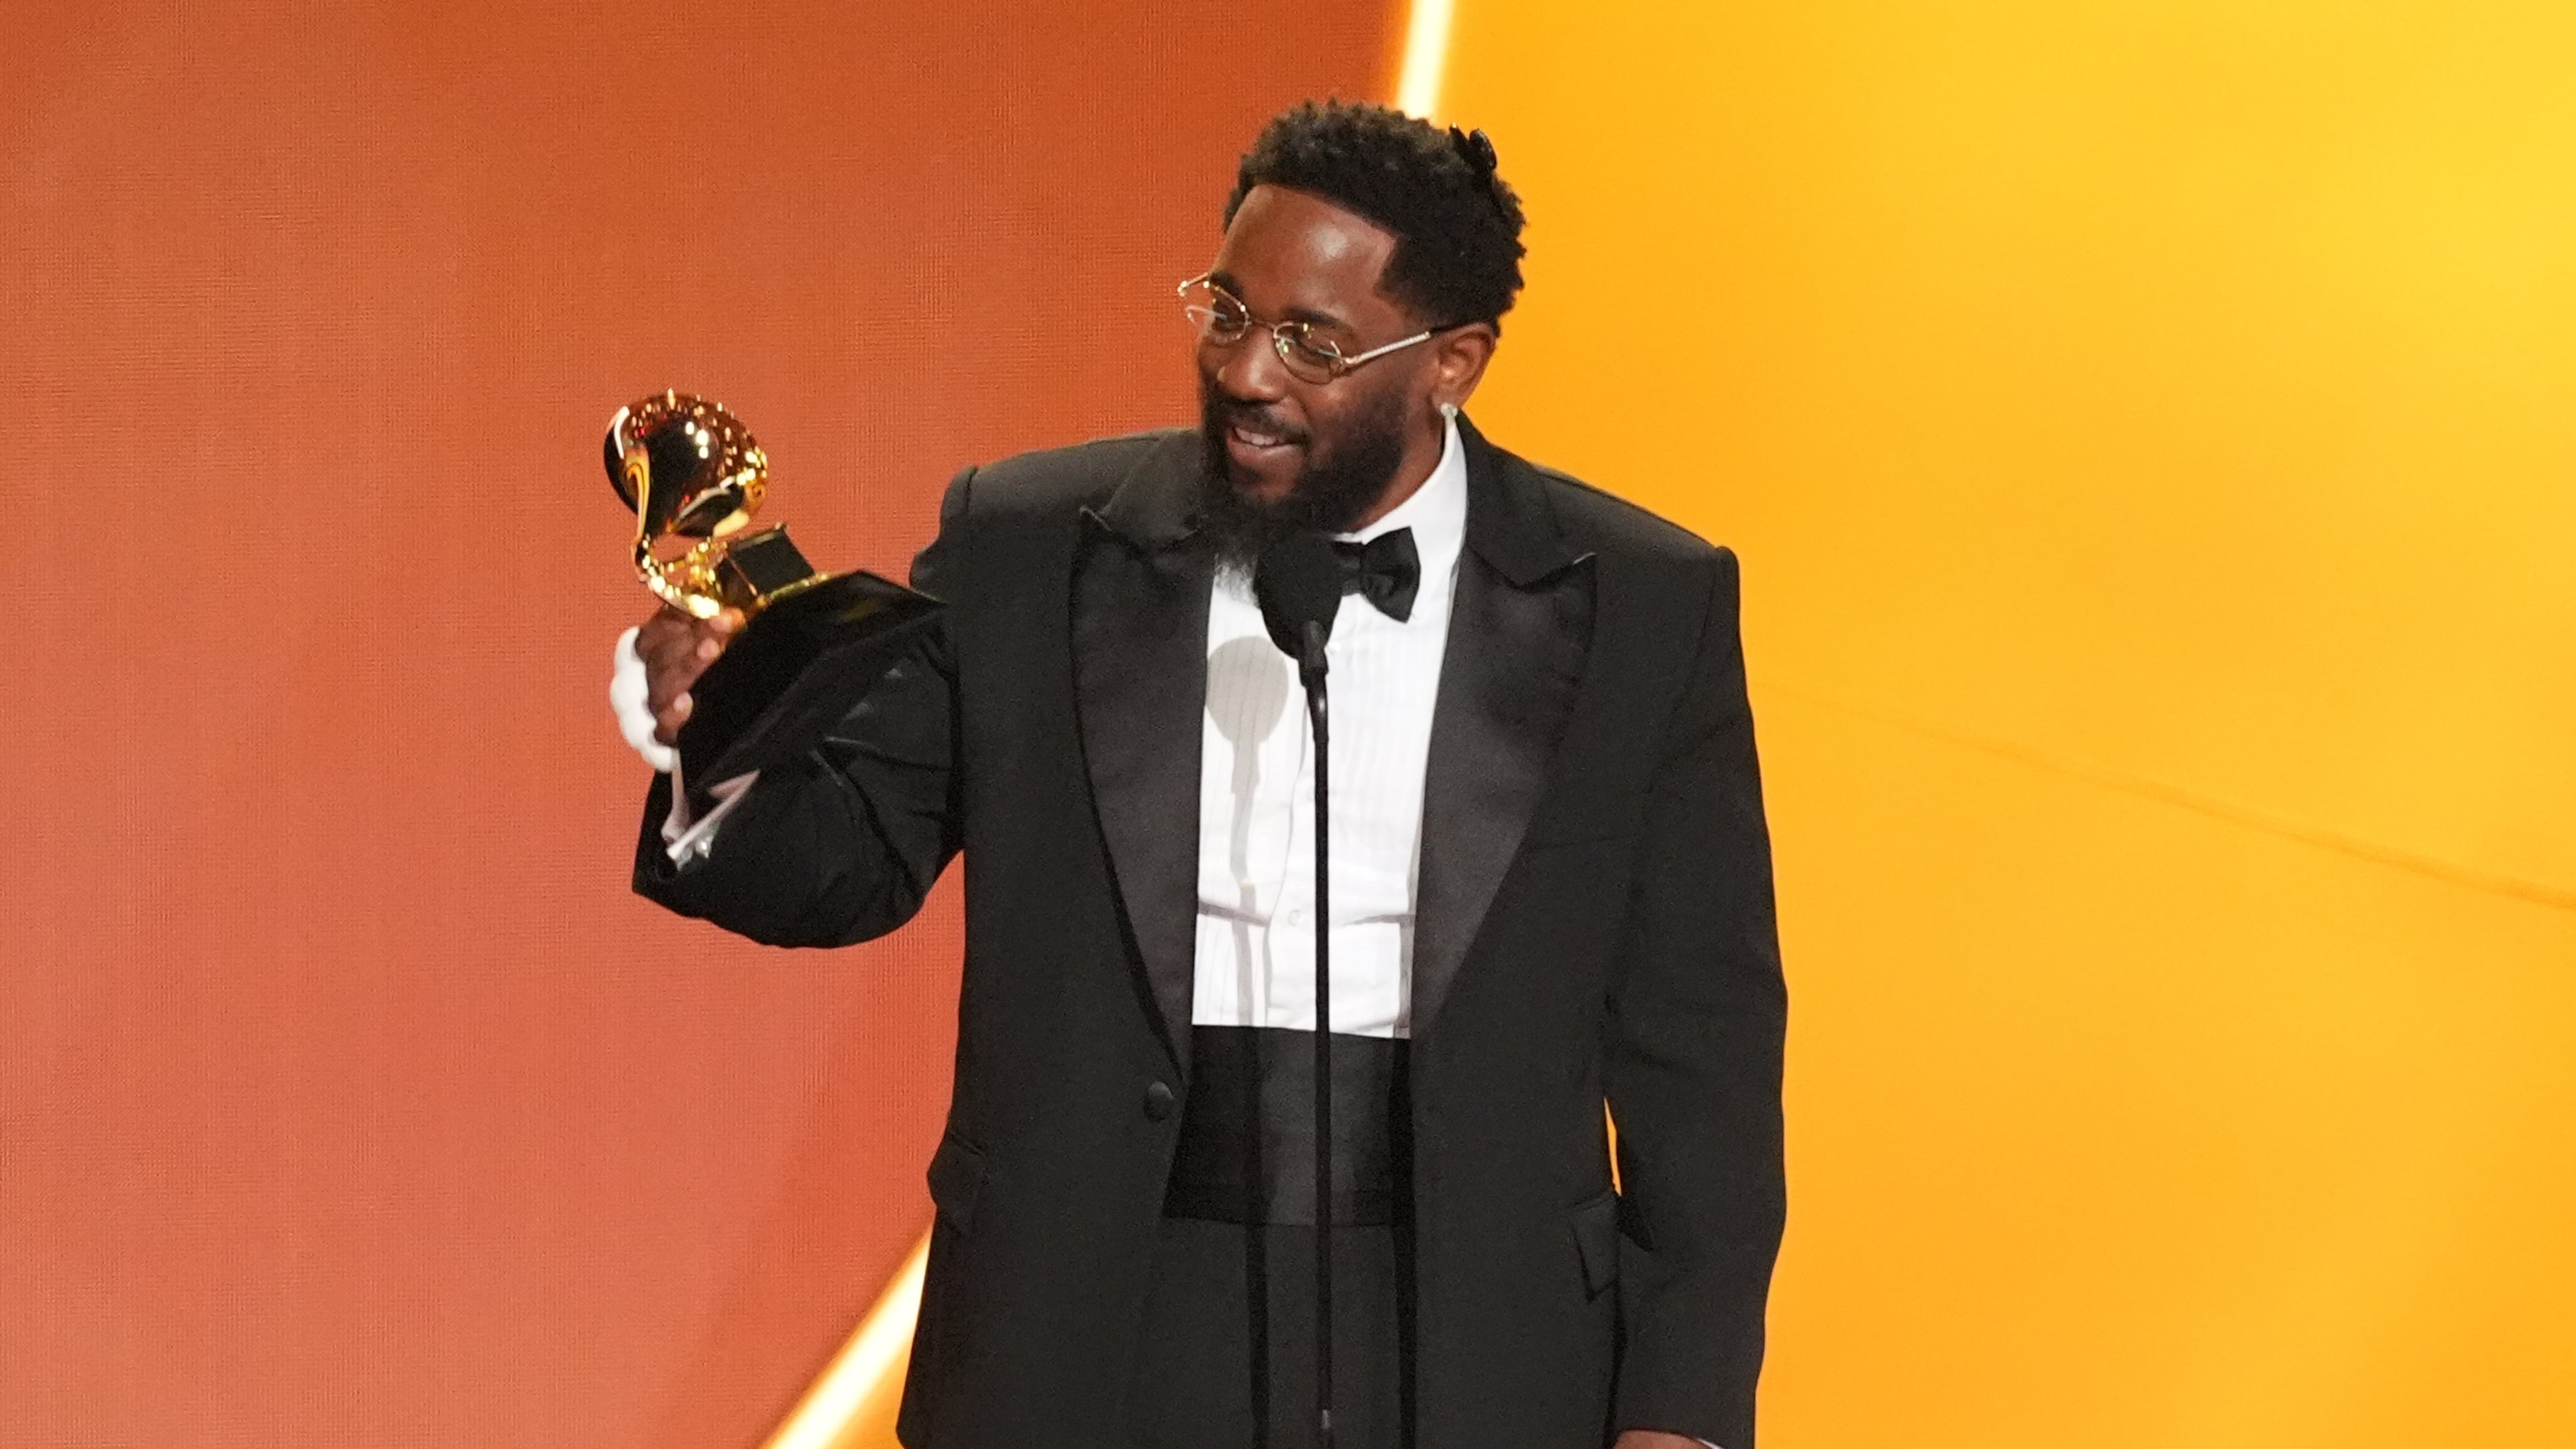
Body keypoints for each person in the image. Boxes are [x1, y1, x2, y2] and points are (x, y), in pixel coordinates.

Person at [612, 100, 1784, 1449]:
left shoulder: (1642, 600)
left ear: (1452, 362)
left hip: (1482, 1341)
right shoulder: (1032, 543)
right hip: (1094, 1322)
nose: (1246, 373)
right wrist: (719, 730)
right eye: (1227, 311)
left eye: (1314, 341)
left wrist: (1681, 1411)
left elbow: (1704, 1048)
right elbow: (843, 866)